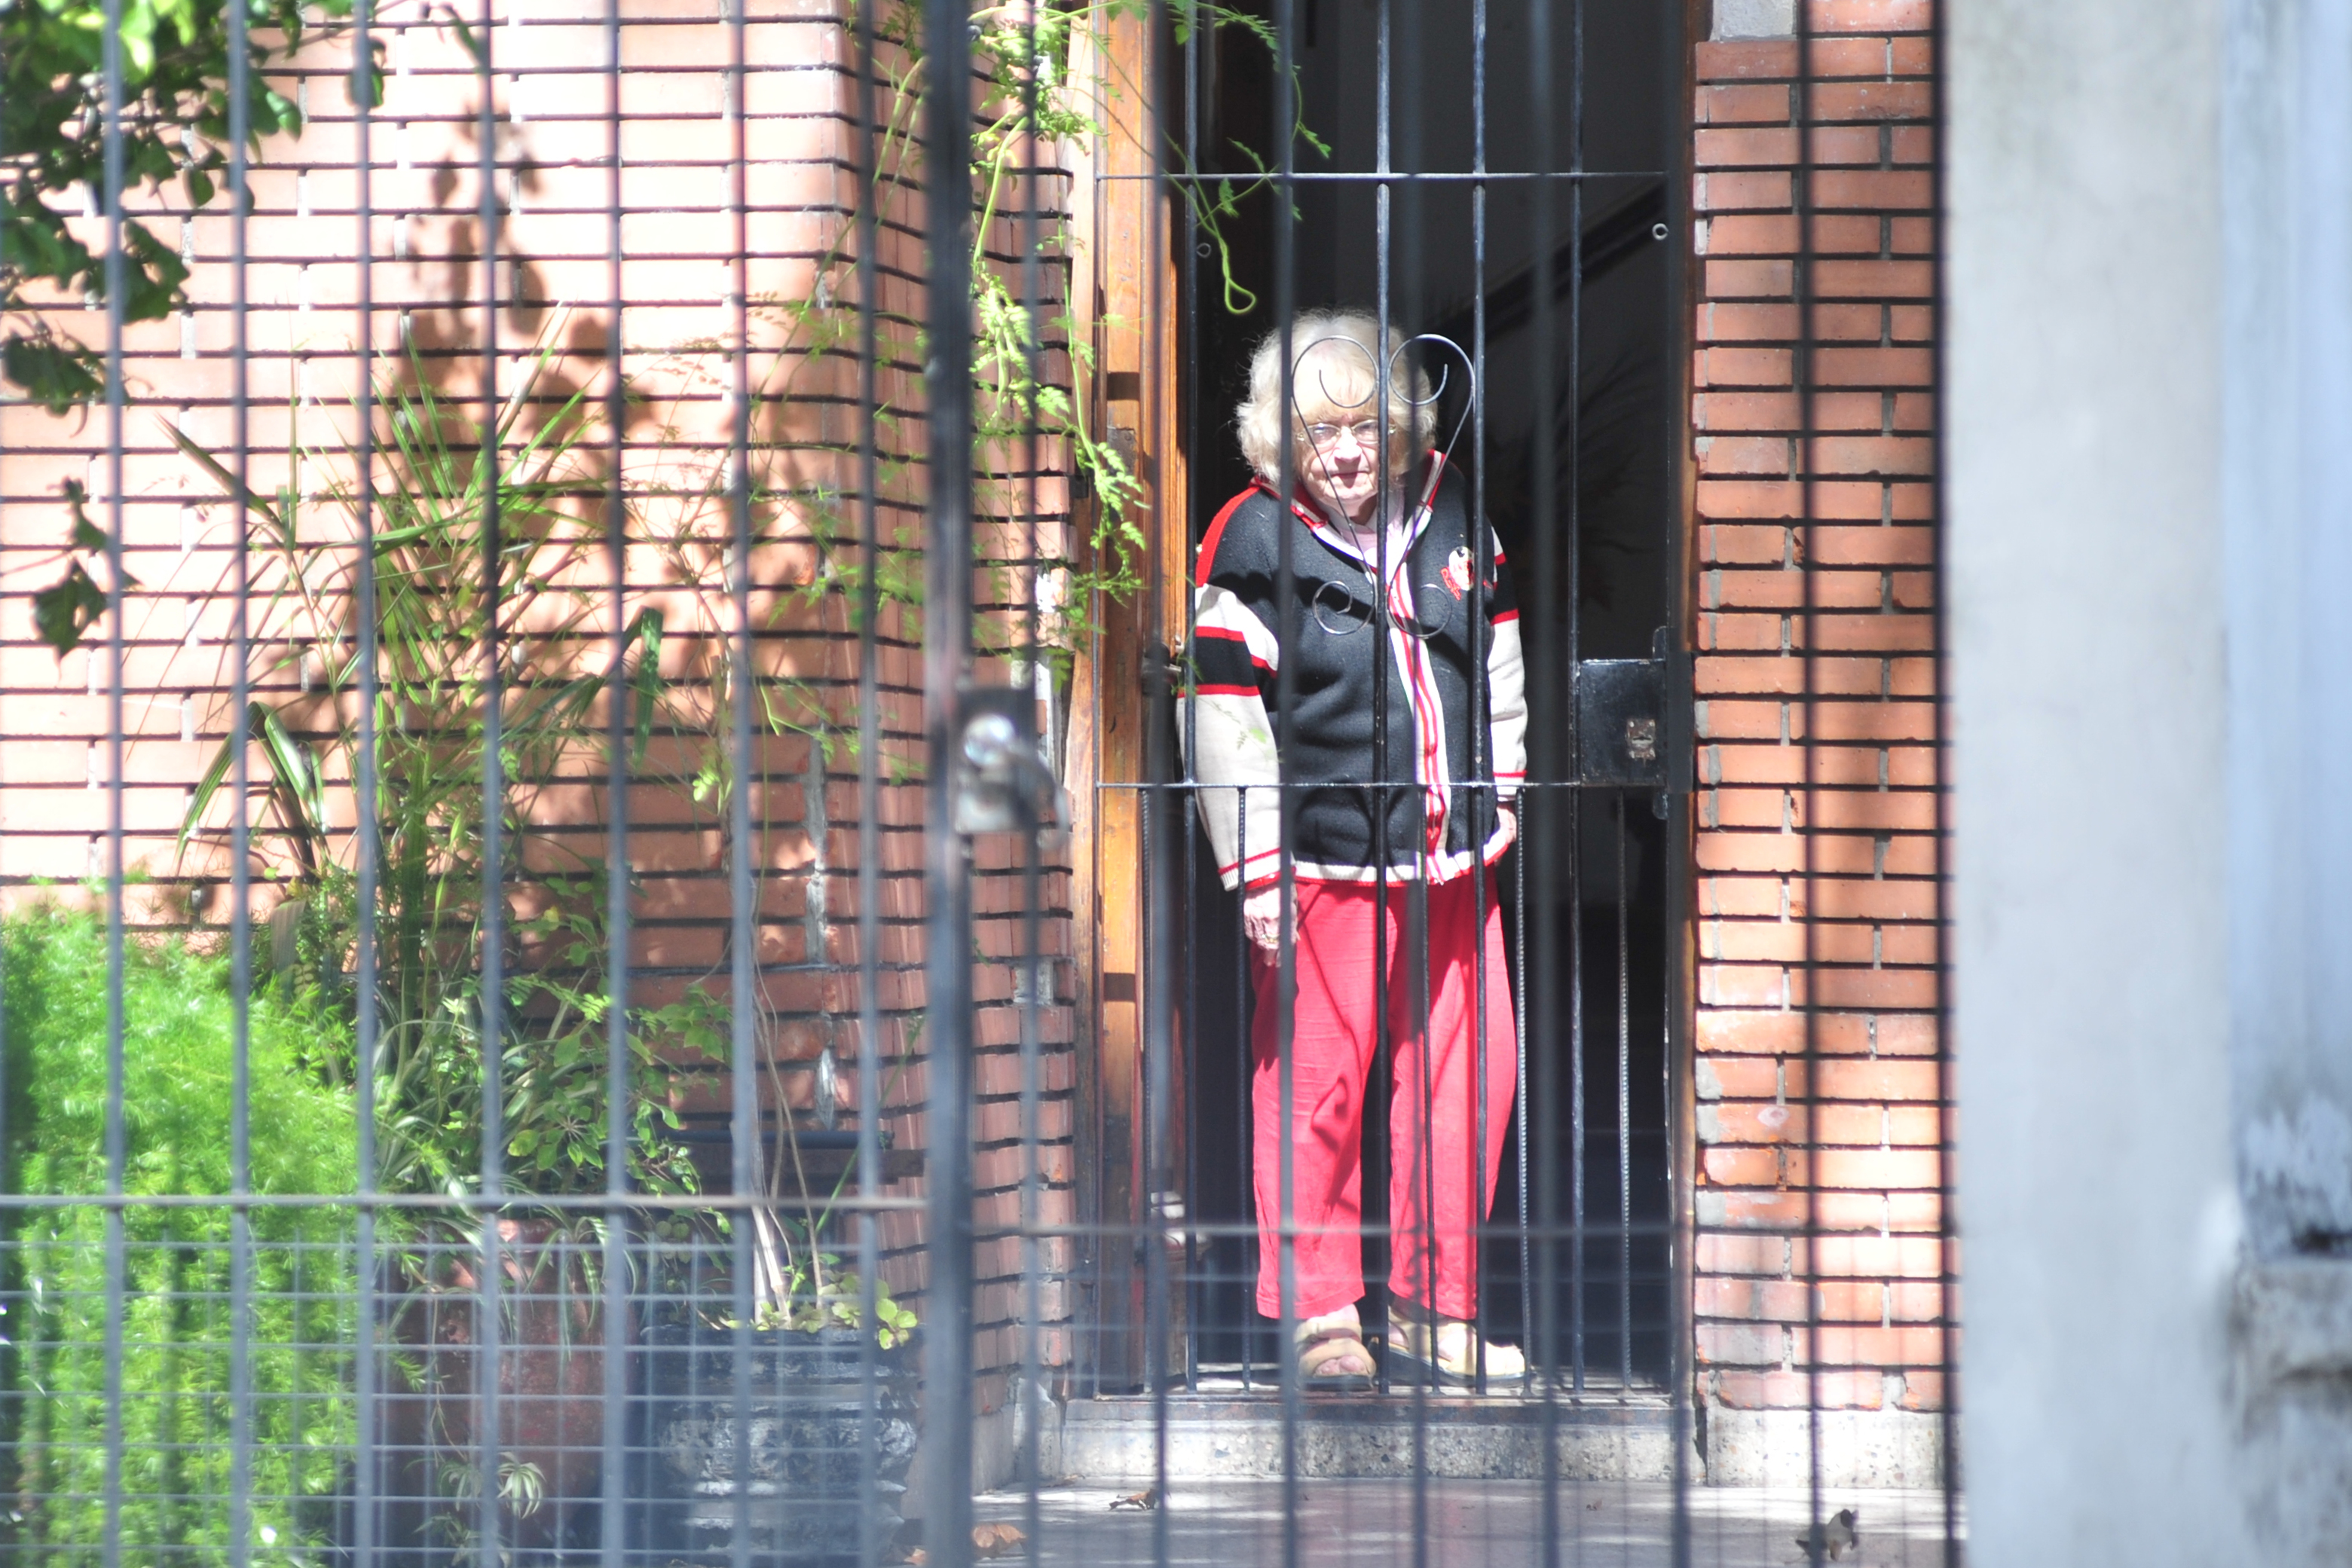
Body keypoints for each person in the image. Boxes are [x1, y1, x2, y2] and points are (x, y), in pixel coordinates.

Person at [1185, 310, 1528, 1389]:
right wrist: (1254, 866)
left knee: (1469, 1081)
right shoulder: (1248, 538)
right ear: (1278, 439)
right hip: (1319, 864)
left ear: (1404, 427)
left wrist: (1504, 790)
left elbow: (1497, 657)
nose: (1343, 452)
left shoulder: (1455, 508)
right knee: (1314, 1091)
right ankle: (1321, 1316)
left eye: (1365, 426)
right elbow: (1223, 714)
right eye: (1317, 431)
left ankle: (1434, 1311)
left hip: (1454, 857)